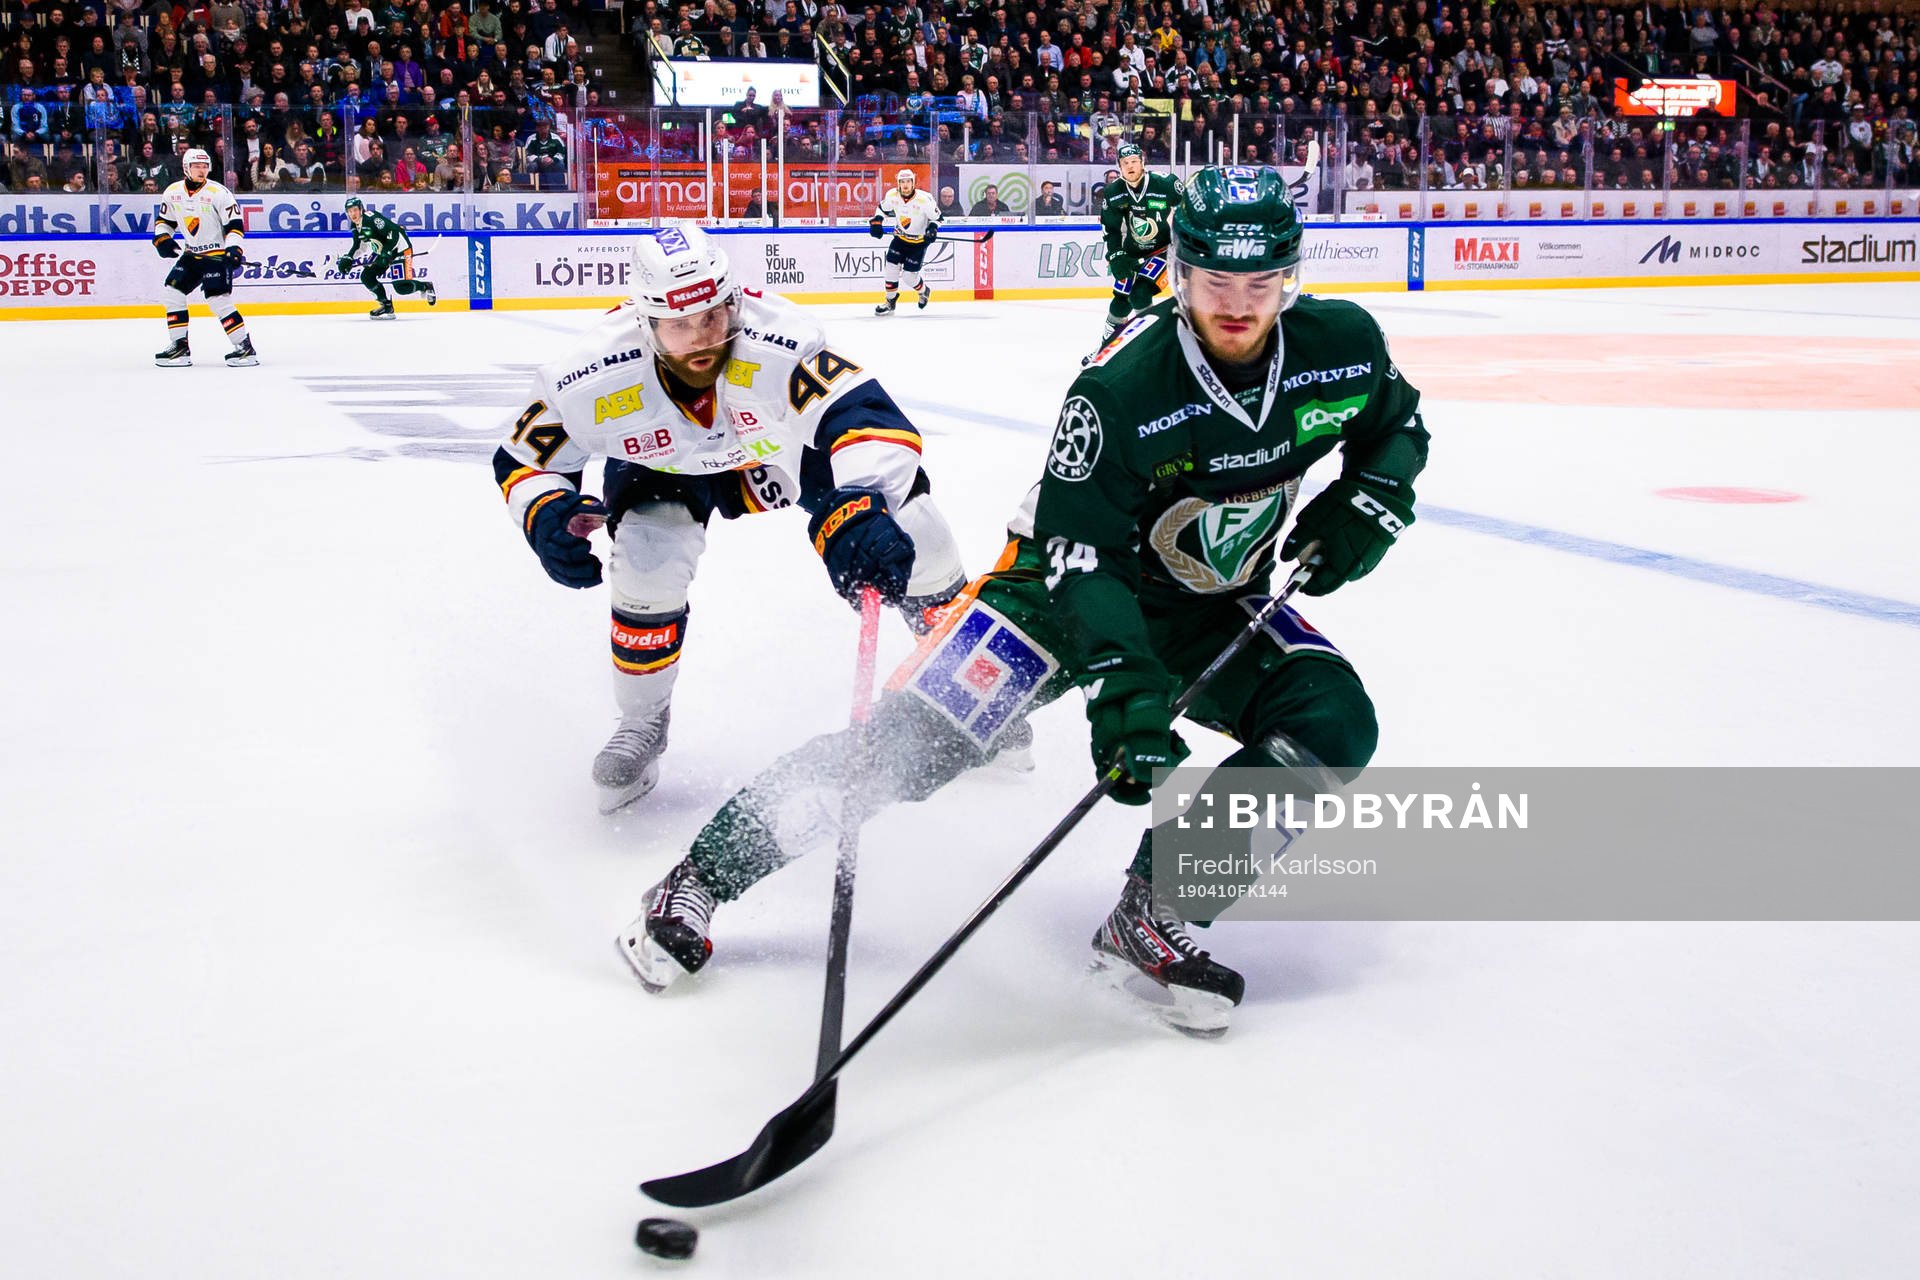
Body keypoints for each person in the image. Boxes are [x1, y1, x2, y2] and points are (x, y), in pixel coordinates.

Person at [616, 168, 1429, 1038]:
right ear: (1179, 272)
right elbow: (1081, 556)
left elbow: (1395, 423)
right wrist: (1126, 687)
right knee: (907, 748)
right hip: (1052, 593)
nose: (1238, 304)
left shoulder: (1341, 343)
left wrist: (1369, 502)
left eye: (1260, 282)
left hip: (1208, 598)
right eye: (1215, 282)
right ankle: (698, 879)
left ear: (1289, 276)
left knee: (1333, 722)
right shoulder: (1122, 388)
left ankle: (1156, 910)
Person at [492, 225, 970, 814]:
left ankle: (968, 684)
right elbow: (523, 460)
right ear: (644, 322)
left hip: (781, 452)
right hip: (664, 467)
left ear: (733, 302)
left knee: (917, 528)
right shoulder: (588, 371)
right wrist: (545, 512)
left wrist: (861, 500)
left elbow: (867, 416)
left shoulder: (781, 340)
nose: (701, 340)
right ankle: (642, 721)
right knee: (644, 562)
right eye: (677, 325)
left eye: (713, 318)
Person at [151, 147, 258, 368]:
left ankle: (244, 347)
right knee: (172, 292)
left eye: (205, 166)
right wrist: (162, 239)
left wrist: (234, 249)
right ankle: (179, 346)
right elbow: (165, 221)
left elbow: (235, 226)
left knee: (218, 299)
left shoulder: (219, 193)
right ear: (186, 168)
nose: (201, 170)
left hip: (216, 255)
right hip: (192, 254)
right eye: (196, 166)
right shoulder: (172, 192)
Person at [1088, 140, 1181, 362]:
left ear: (1142, 162)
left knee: (1140, 294)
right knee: (1120, 301)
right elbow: (1110, 229)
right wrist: (1116, 254)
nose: (1130, 167)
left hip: (1162, 250)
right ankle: (1106, 348)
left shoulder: (1165, 183)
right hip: (1131, 253)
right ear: (1119, 167)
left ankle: (1149, 349)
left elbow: (1188, 210)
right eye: (1125, 163)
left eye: (1134, 162)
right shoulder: (1113, 192)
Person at [335, 194, 436, 318]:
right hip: (383, 252)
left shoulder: (372, 219)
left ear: (361, 209)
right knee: (367, 276)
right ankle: (386, 305)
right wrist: (349, 258)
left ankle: (425, 286)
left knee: (401, 288)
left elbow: (394, 233)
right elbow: (359, 246)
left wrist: (386, 252)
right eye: (350, 211)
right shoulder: (355, 226)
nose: (353, 214)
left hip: (400, 248)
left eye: (355, 210)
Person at [867, 167, 940, 314]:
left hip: (918, 243)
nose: (905, 185)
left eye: (908, 181)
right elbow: (881, 208)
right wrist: (877, 222)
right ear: (898, 183)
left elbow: (938, 218)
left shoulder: (924, 199)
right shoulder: (892, 195)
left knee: (908, 277)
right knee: (890, 270)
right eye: (902, 182)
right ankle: (890, 302)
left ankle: (924, 291)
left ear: (914, 182)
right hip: (900, 239)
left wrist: (932, 229)